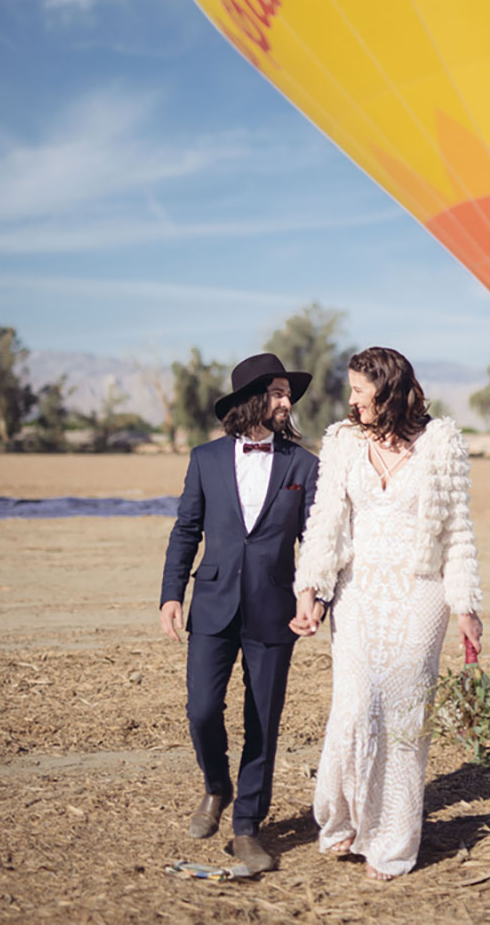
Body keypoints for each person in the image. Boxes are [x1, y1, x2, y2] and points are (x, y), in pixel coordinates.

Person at [290, 346, 482, 881]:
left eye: (359, 390)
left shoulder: (441, 443)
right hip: (358, 593)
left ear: (388, 390)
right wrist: (310, 589)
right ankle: (343, 821)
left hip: (421, 593)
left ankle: (392, 843)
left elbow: (458, 531)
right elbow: (325, 522)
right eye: (350, 390)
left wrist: (466, 607)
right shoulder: (343, 443)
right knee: (353, 709)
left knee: (403, 719)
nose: (351, 400)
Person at [160, 353, 319, 873]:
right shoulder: (205, 459)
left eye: (286, 393)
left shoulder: (303, 464)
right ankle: (216, 786)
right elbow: (186, 530)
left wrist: (317, 597)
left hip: (276, 612)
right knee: (202, 709)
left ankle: (247, 825)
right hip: (212, 605)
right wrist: (171, 594)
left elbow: (316, 542)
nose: (285, 401)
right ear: (251, 400)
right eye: (275, 392)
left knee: (262, 723)